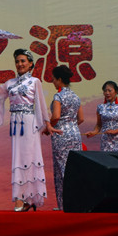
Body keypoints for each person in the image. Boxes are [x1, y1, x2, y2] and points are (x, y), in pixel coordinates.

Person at [0, 48, 51, 212]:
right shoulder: (10, 83)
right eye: (17, 61)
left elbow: (41, 105)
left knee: (28, 156)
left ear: (30, 63)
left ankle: (26, 198)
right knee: (18, 158)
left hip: (29, 122)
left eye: (22, 61)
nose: (19, 64)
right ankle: (22, 199)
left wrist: (47, 124)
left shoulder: (35, 82)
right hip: (15, 123)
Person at [47, 65, 83, 211]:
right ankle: (77, 203)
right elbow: (81, 118)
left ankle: (64, 205)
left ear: (60, 80)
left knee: (62, 169)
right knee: (74, 169)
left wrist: (48, 126)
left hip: (61, 134)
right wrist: (71, 124)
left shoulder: (59, 96)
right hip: (75, 132)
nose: (53, 82)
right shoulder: (75, 96)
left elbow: (56, 116)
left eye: (54, 79)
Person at [85, 81, 118, 152]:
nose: (107, 93)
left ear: (116, 92)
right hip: (106, 142)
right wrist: (93, 132)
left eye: (109, 90)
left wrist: (115, 131)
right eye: (105, 91)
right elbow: (99, 125)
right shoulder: (100, 107)